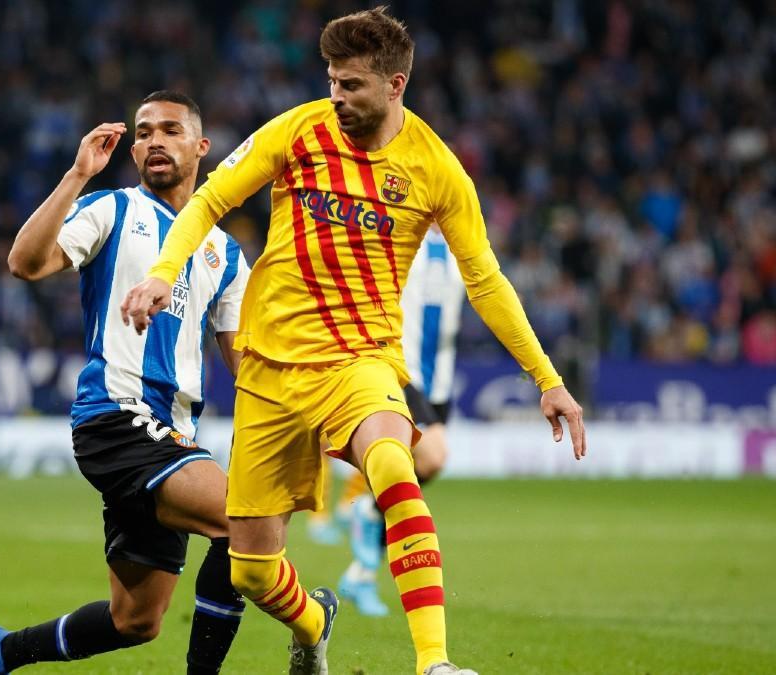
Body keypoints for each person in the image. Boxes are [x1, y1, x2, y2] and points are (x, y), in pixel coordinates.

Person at [120, 8, 586, 675]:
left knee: (395, 466)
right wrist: (166, 273)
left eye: (353, 86)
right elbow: (209, 200)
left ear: (396, 85)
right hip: (270, 366)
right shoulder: (299, 129)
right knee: (251, 570)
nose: (337, 96)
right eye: (333, 81)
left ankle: (435, 662)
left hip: (361, 360)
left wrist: (547, 378)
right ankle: (315, 622)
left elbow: (486, 280)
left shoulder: (436, 169)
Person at [0, 91, 251, 675]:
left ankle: (1, 650)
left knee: (135, 621)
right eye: (143, 131)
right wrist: (76, 176)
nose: (154, 141)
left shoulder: (223, 249)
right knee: (242, 518)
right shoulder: (111, 209)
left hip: (171, 435)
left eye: (170, 130)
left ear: (201, 148)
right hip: (116, 416)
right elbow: (24, 263)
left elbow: (244, 364)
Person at [337, 225, 464, 618]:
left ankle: (360, 573)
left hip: (439, 378)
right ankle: (367, 511)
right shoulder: (399, 230)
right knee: (432, 458)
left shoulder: (462, 245)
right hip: (402, 368)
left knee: (408, 472)